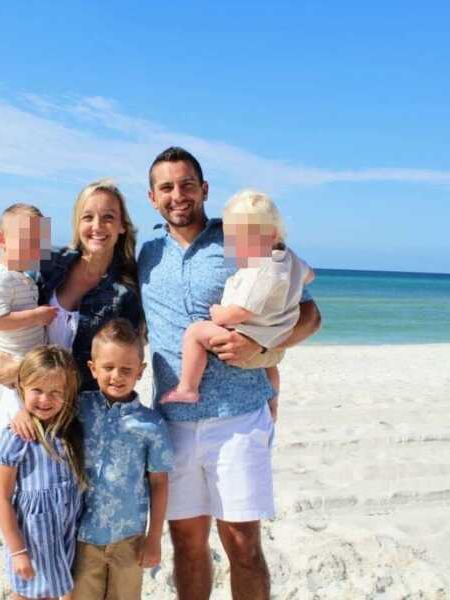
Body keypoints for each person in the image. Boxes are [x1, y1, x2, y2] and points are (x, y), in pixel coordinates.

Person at [139, 147, 321, 599]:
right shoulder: (145, 255)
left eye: (186, 185)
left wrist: (262, 343)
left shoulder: (244, 236)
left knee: (243, 545)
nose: (177, 195)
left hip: (238, 417)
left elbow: (312, 315)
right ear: (151, 197)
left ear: (204, 189)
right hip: (172, 422)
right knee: (186, 544)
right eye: (166, 187)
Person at [0, 179, 143, 392]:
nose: (97, 226)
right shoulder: (49, 262)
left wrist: (24, 370)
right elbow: (3, 297)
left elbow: (118, 367)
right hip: (33, 398)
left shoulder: (127, 293)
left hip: (84, 406)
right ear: (78, 223)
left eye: (108, 217)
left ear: (122, 225)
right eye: (88, 217)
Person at [162, 189, 314, 404]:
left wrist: (218, 314)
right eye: (232, 237)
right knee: (270, 369)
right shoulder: (288, 258)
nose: (236, 246)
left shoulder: (261, 268)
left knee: (195, 332)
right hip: (275, 346)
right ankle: (273, 402)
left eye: (244, 237)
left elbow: (241, 311)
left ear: (271, 234)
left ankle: (188, 387)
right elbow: (310, 275)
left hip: (249, 345)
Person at [71, 318, 172, 599]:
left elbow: (160, 484)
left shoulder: (151, 424)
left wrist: (154, 538)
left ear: (140, 372)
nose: (117, 375)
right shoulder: (78, 408)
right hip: (81, 536)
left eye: (126, 369)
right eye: (108, 368)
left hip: (130, 537)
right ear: (92, 368)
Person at [0, 345, 86, 600]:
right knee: (27, 594)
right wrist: (17, 551)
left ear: (68, 392)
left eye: (56, 392)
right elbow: (2, 498)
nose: (45, 400)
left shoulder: (71, 429)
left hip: (66, 534)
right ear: (21, 386)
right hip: (32, 539)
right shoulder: (17, 437)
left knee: (63, 589)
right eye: (37, 390)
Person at [0, 203, 58, 434]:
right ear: (1, 239)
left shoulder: (22, 275)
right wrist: (36, 316)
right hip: (15, 357)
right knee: (19, 414)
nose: (33, 250)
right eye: (25, 241)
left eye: (37, 243)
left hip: (30, 358)